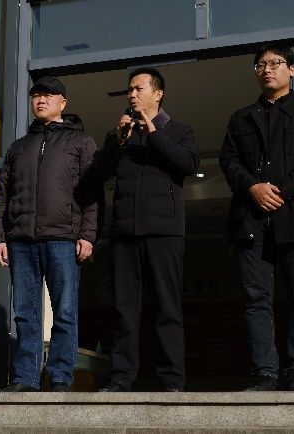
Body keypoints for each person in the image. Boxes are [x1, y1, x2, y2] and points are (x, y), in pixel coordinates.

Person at [219, 42, 294, 391]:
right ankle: (265, 373)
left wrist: (280, 190)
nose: (267, 69)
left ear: (292, 70)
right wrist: (252, 187)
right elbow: (229, 161)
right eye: (260, 65)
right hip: (252, 221)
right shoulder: (240, 118)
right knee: (256, 301)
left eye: (275, 63)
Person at [0, 76, 98, 392]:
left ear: (63, 102)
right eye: (36, 95)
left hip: (63, 238)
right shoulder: (18, 147)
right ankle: (26, 378)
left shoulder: (81, 142)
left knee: (65, 311)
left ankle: (61, 377)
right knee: (25, 314)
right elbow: (3, 195)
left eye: (48, 95)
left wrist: (87, 235)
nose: (40, 99)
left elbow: (92, 193)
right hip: (21, 239)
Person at [95, 68, 200, 392]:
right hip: (125, 232)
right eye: (129, 90)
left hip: (164, 231)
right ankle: (121, 377)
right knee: (124, 309)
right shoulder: (120, 135)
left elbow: (188, 164)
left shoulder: (178, 130)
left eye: (138, 88)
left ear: (158, 93)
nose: (132, 94)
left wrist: (153, 133)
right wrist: (118, 141)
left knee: (168, 307)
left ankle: (172, 379)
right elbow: (98, 173)